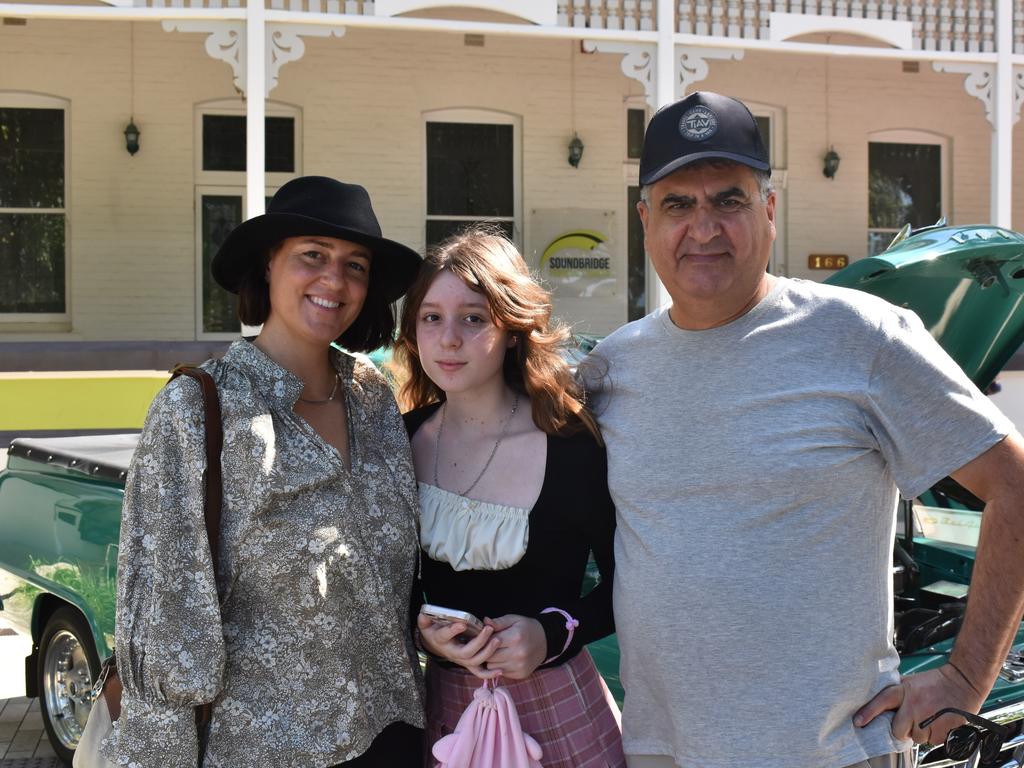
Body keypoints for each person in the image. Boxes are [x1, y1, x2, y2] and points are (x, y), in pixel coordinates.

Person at [583, 91, 1024, 768]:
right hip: (661, 753)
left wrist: (966, 678)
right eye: (678, 204)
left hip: (829, 754)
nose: (702, 228)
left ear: (769, 211)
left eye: (728, 199)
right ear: (645, 220)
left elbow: (1014, 486)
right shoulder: (615, 367)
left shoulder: (861, 336)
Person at [102, 176, 427, 767]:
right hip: (260, 746)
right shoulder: (199, 410)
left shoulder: (374, 399)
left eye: (356, 265)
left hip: (389, 730)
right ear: (269, 265)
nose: (336, 279)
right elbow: (167, 611)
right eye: (313, 256)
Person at [396, 230, 625, 768]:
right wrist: (425, 635)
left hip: (560, 713)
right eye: (431, 317)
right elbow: (385, 586)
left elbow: (630, 583)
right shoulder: (395, 443)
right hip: (444, 718)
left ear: (513, 329)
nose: (448, 338)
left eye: (473, 318)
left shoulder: (572, 444)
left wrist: (550, 635)